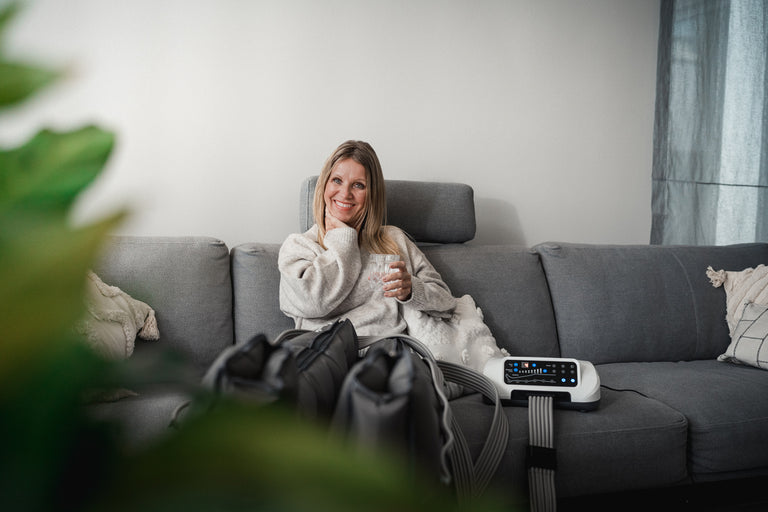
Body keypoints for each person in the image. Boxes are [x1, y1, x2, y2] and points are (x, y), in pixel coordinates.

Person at [278, 140, 507, 371]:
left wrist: (412, 290)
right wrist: (343, 239)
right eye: (337, 180)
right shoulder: (299, 247)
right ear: (324, 185)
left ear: (372, 194)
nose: (345, 193)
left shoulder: (392, 240)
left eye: (358, 185)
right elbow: (313, 303)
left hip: (387, 357)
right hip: (327, 356)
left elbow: (446, 302)